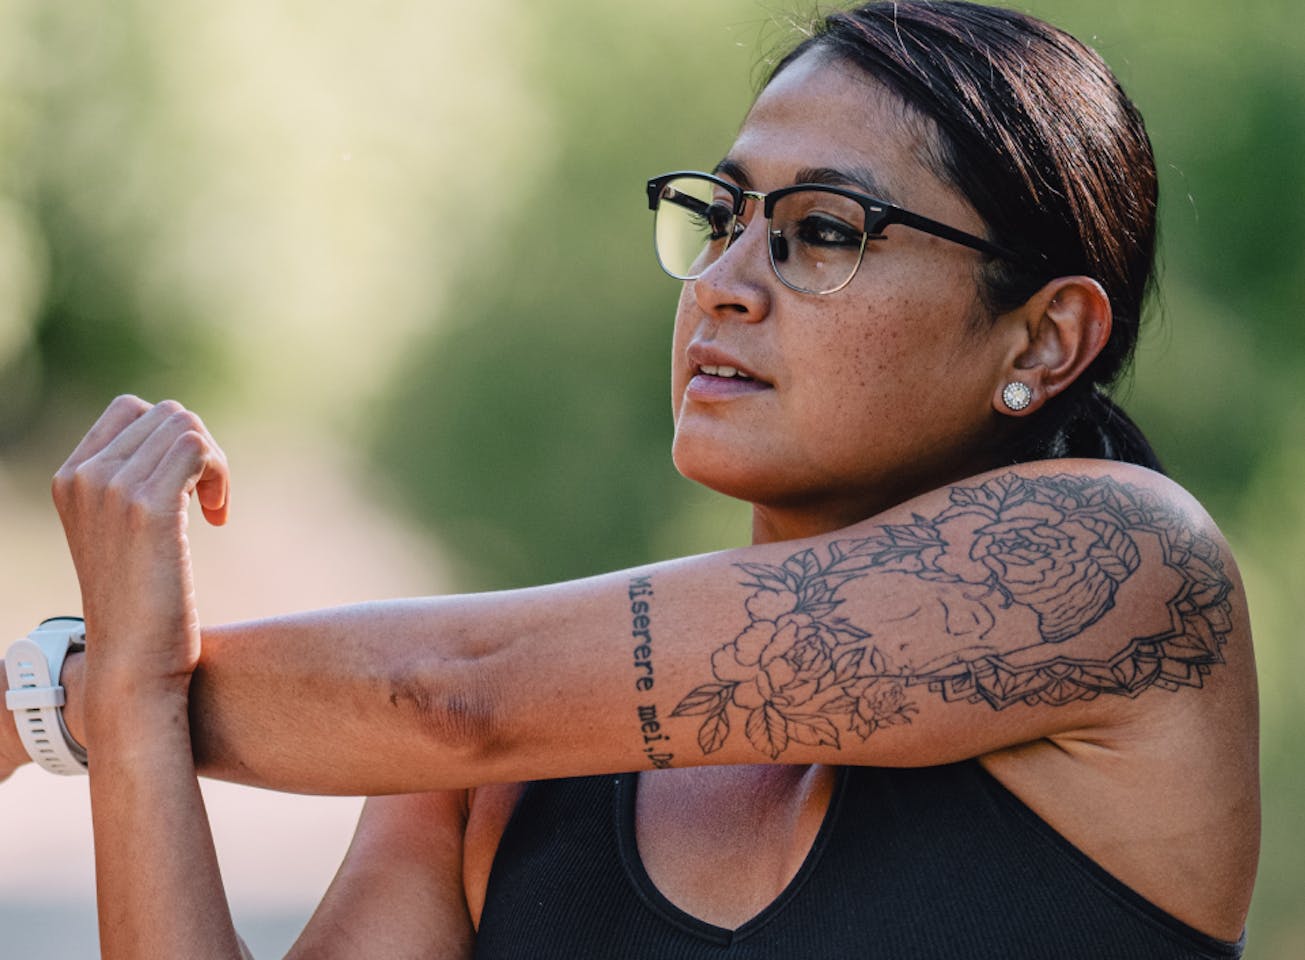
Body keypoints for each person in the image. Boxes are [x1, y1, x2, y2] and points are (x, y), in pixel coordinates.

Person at [0, 2, 1259, 957]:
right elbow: (450, 710)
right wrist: (123, 688)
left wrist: (60, 688)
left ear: (1043, 340)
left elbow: (454, 695)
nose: (724, 279)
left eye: (823, 229)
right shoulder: (499, 773)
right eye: (721, 216)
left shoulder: (1130, 577)